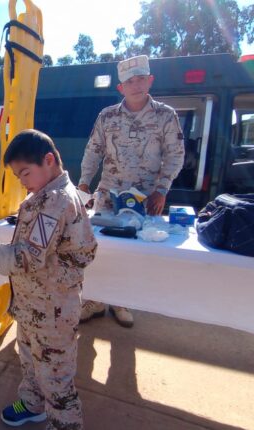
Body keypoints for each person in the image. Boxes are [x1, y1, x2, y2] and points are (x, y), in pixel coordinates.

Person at [0, 130, 97, 430]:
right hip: (34, 304)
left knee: (55, 377)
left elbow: (29, 257)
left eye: (25, 173)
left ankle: (64, 424)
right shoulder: (44, 195)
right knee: (32, 361)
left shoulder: (57, 200)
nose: (22, 181)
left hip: (53, 311)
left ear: (48, 160)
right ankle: (33, 403)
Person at [78, 55, 185, 328]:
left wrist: (162, 190)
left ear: (150, 81)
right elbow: (93, 151)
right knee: (100, 250)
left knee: (133, 252)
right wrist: (84, 183)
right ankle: (95, 300)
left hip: (144, 200)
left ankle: (122, 301)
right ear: (120, 88)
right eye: (129, 81)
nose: (136, 85)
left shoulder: (165, 116)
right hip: (107, 198)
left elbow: (175, 155)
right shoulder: (107, 117)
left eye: (140, 79)